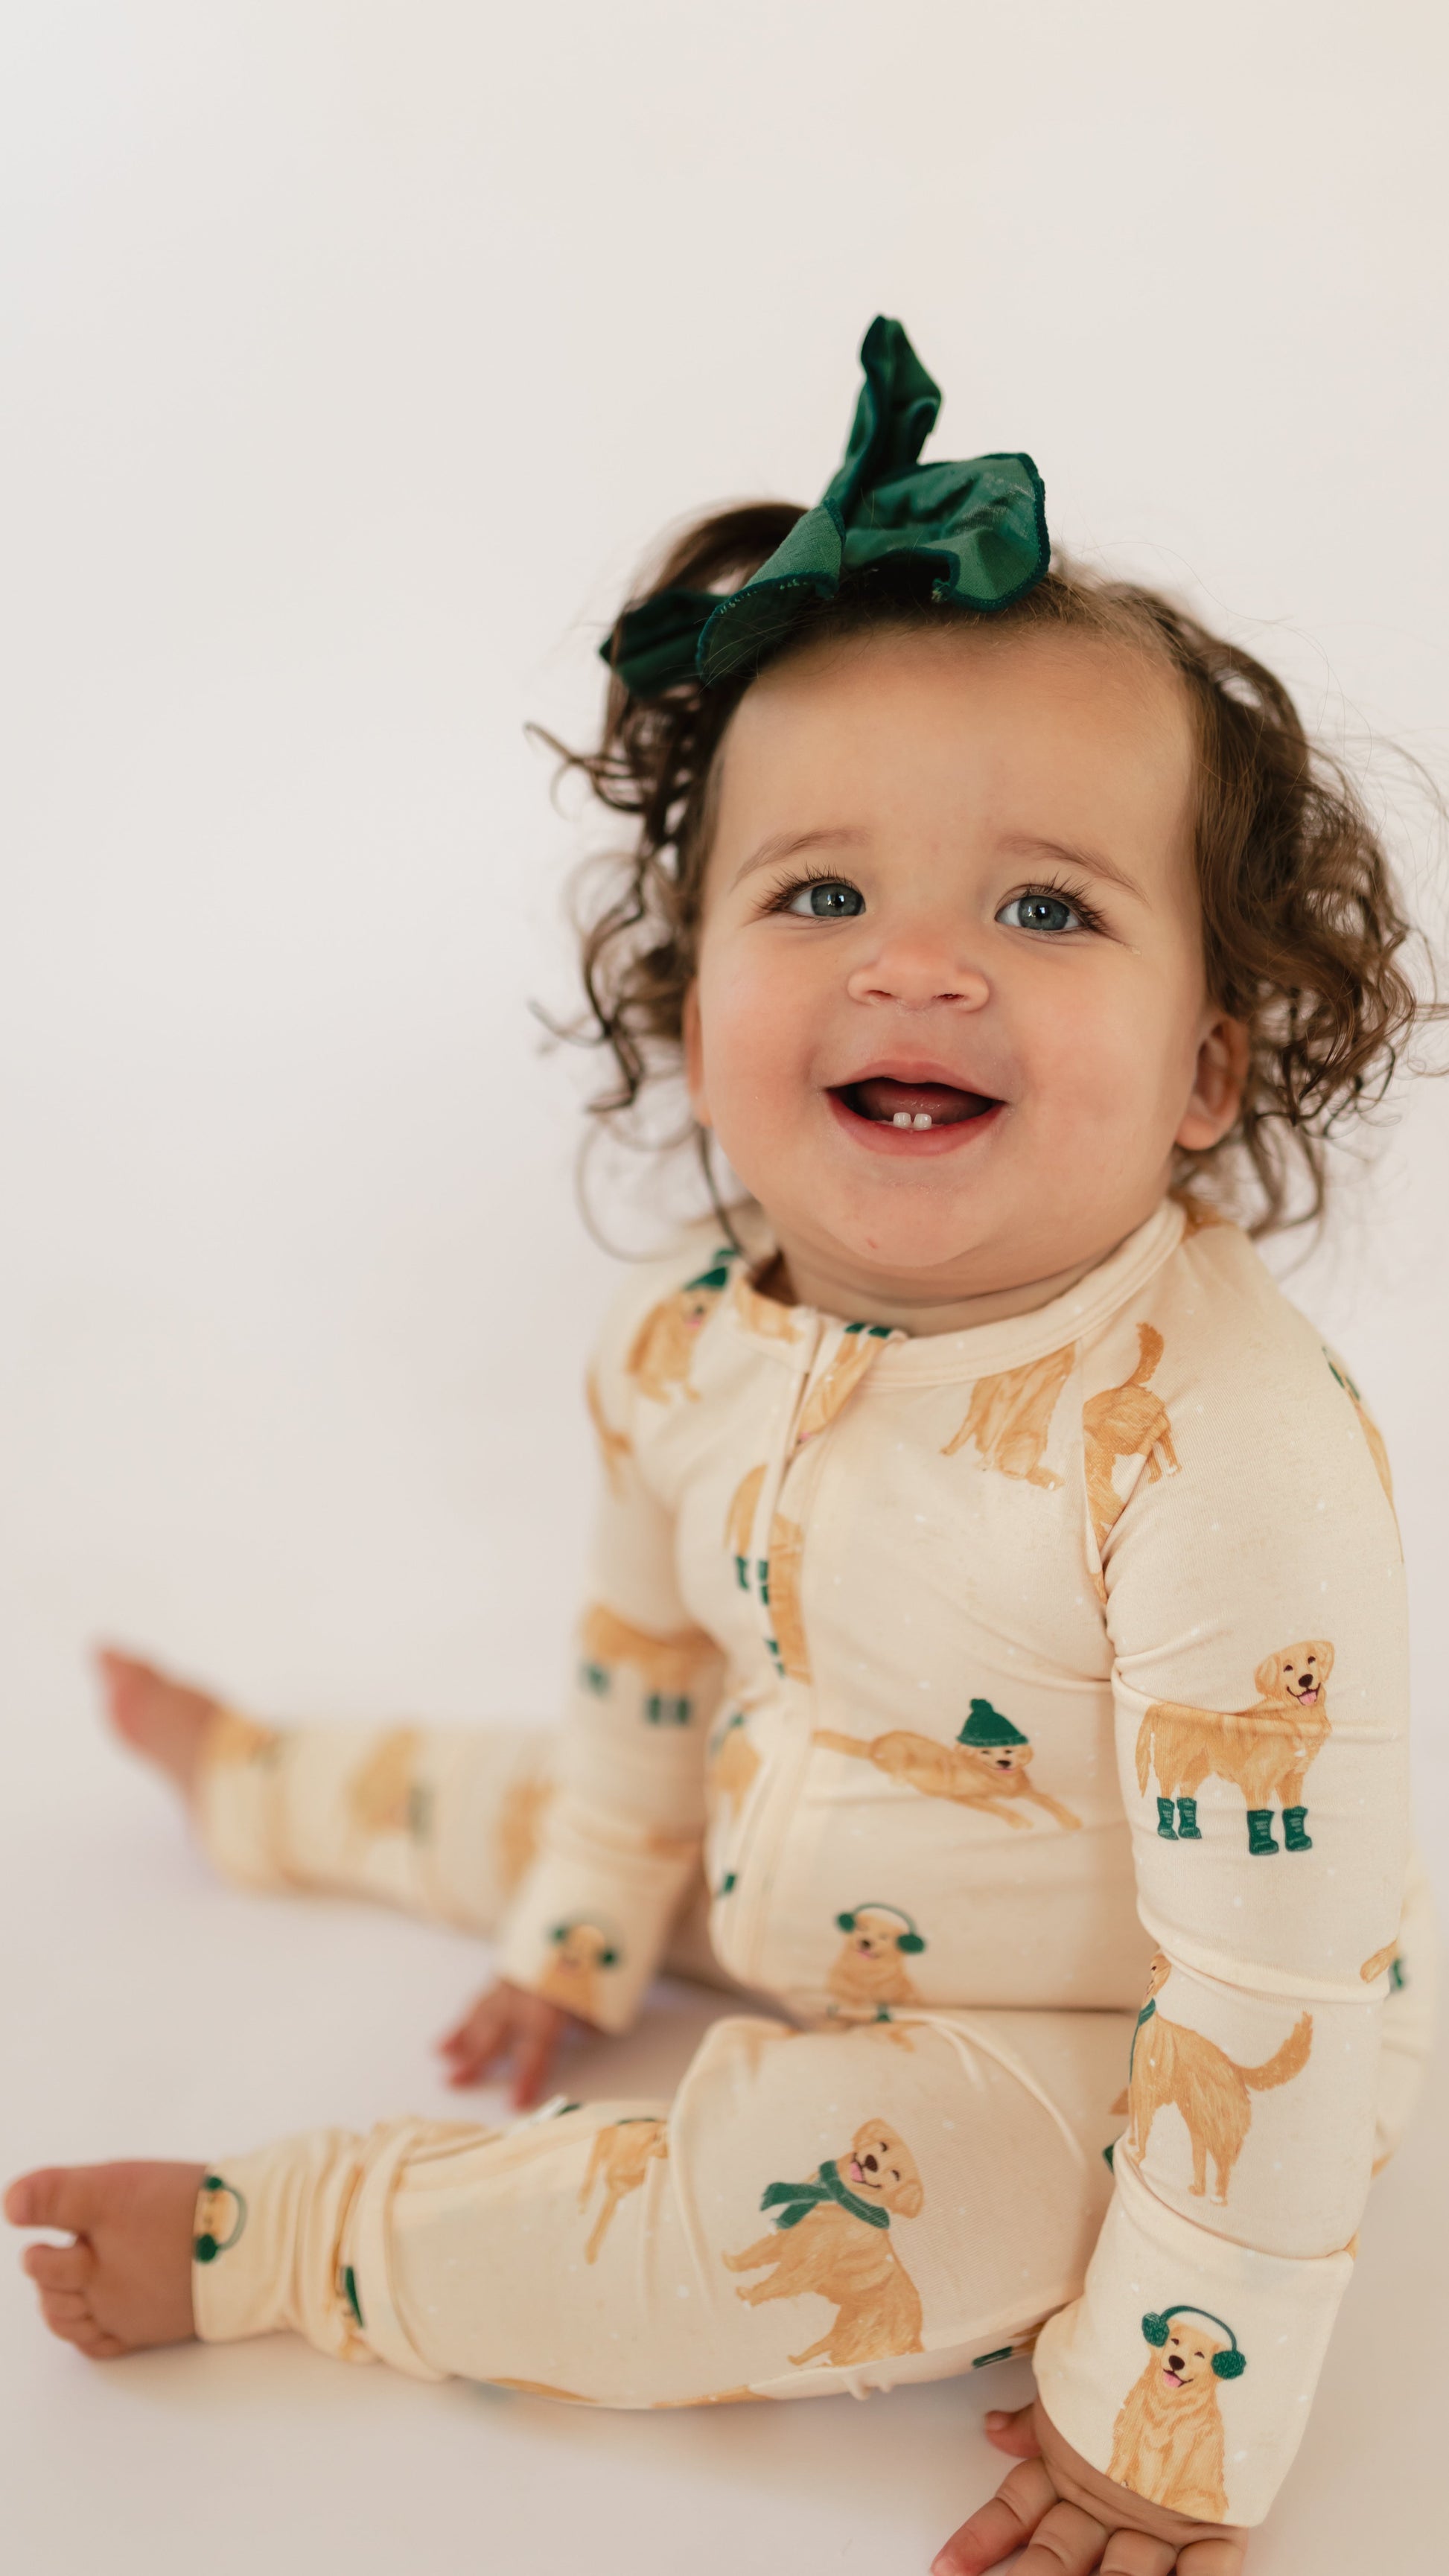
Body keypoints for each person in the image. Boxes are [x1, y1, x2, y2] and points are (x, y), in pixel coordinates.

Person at [7, 320, 1436, 2575]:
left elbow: (1275, 1981)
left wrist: (1178, 2403)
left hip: (1115, 2031)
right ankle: (273, 1782)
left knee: (794, 2222)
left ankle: (300, 2237)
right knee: (561, 1788)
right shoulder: (685, 1335)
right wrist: (585, 1930)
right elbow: (648, 1658)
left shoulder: (1222, 1452)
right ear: (691, 1011)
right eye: (820, 894)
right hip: (806, 1845)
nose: (920, 967)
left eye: (1047, 906)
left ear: (1204, 1066)